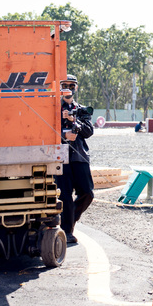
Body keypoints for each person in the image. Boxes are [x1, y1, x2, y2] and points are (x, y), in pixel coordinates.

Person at [56, 74, 95, 245]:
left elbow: (89, 131)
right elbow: (46, 130)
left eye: (71, 86)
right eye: (65, 85)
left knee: (87, 192)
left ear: (76, 88)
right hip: (60, 157)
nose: (68, 89)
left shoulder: (82, 110)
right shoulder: (52, 109)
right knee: (64, 195)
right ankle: (67, 231)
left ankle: (70, 220)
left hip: (79, 155)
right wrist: (64, 135)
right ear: (59, 88)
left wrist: (74, 121)